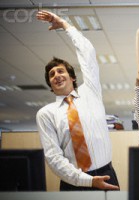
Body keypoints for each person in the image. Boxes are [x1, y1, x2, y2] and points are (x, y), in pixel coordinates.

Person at [35, 10, 119, 191]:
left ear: (72, 77)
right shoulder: (46, 114)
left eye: (60, 71)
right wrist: (86, 181)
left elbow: (87, 53)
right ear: (50, 84)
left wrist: (65, 25)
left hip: (106, 174)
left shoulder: (91, 92)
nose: (56, 75)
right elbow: (53, 158)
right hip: (73, 183)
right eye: (52, 74)